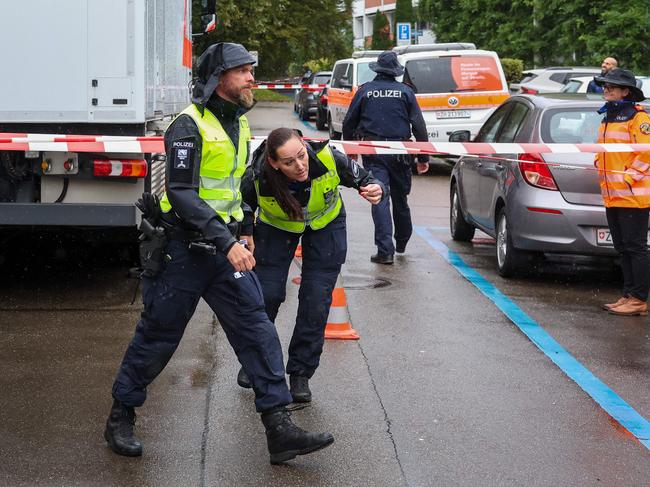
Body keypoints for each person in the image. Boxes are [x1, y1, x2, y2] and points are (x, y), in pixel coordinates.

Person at [104, 43, 334, 465]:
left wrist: (244, 229)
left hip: (224, 250)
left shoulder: (239, 125)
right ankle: (122, 413)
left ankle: (279, 427)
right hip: (183, 252)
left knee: (257, 329)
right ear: (219, 78)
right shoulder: (187, 127)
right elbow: (182, 193)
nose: (251, 78)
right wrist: (226, 242)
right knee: (158, 337)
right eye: (243, 71)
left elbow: (236, 187)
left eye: (251, 70)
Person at [235, 128, 386, 402]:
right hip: (276, 228)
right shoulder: (258, 175)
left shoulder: (330, 158)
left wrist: (376, 189)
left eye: (302, 156)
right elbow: (241, 202)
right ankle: (254, 363)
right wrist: (246, 230)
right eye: (289, 163)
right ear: (274, 163)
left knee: (315, 300)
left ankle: (300, 373)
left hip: (325, 225)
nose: (300, 166)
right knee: (267, 295)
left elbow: (367, 179)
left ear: (306, 146)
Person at [342, 50, 429, 265]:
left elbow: (349, 123)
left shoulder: (365, 91)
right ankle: (401, 242)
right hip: (400, 153)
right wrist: (423, 158)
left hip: (373, 152)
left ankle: (385, 251)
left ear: (377, 70)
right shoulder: (406, 92)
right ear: (395, 72)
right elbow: (419, 126)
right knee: (401, 199)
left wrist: (350, 149)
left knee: (378, 198)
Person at [594, 68, 650, 316]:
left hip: (633, 196)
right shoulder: (608, 116)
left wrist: (630, 177)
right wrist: (599, 163)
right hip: (612, 195)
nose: (607, 89)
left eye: (612, 86)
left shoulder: (638, 117)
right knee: (622, 247)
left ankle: (639, 299)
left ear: (626, 91)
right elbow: (605, 151)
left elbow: (647, 152)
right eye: (605, 85)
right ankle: (628, 294)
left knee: (635, 247)